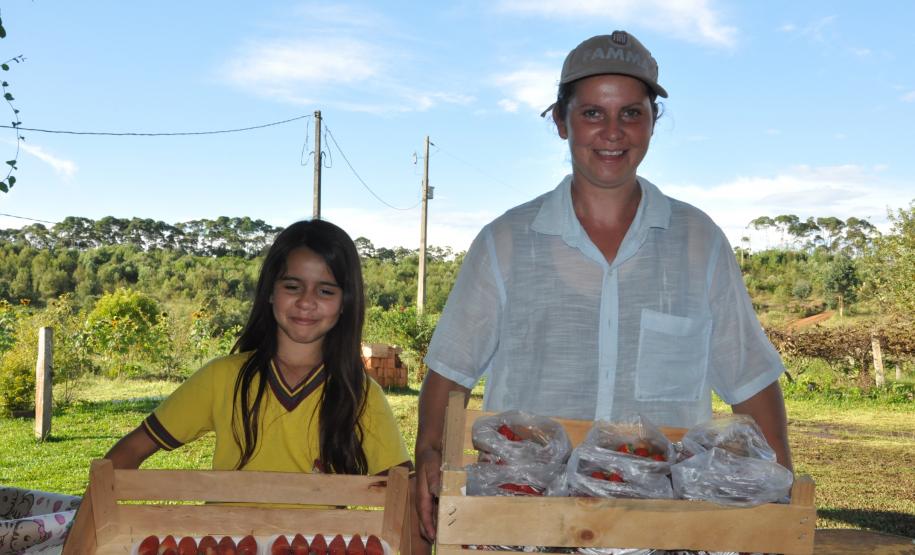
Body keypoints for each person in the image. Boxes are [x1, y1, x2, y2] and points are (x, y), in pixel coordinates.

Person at [414, 30, 793, 542]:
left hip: (660, 530)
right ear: (561, 122)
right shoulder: (505, 242)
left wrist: (780, 499)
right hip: (524, 523)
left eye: (631, 113)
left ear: (652, 121)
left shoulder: (699, 241)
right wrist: (429, 460)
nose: (612, 132)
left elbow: (750, 378)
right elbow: (450, 372)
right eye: (593, 113)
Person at [106, 219, 411, 479]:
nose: (306, 301)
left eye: (325, 290)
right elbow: (129, 452)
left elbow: (405, 494)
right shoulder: (221, 378)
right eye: (292, 286)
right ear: (270, 292)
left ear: (345, 303)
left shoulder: (361, 396)